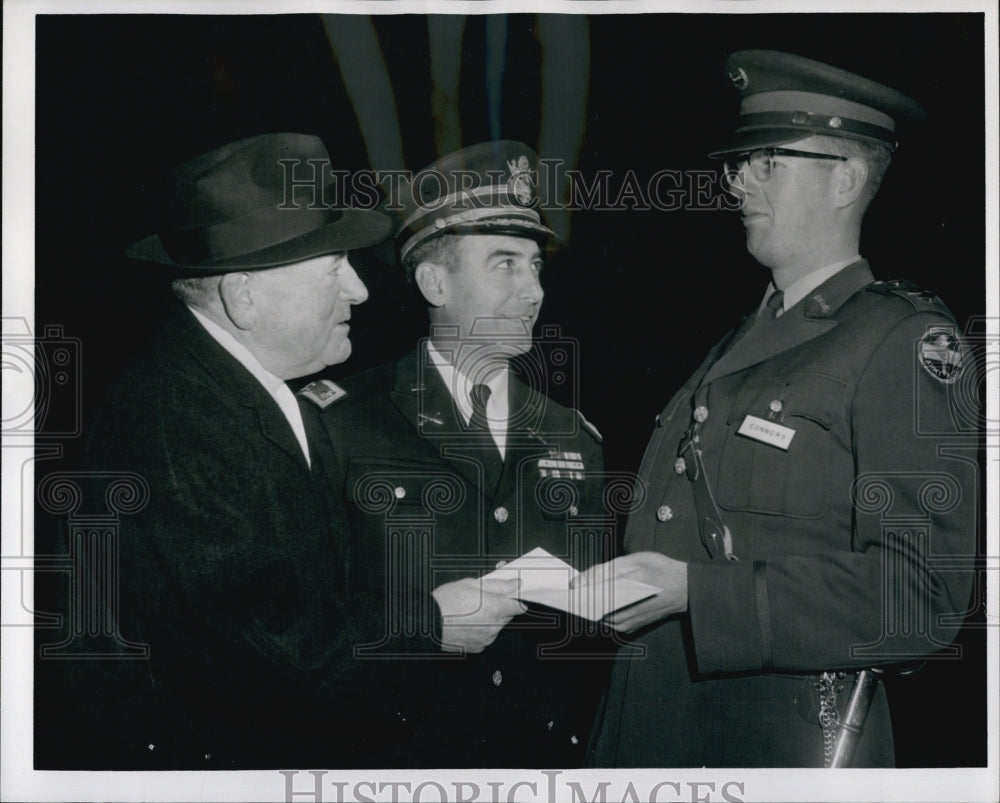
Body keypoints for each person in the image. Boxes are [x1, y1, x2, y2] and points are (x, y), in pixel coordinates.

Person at [576, 51, 977, 767]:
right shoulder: (741, 339)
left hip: (776, 746)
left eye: (767, 161)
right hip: (652, 731)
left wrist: (700, 594)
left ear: (845, 179)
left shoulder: (902, 340)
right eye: (739, 162)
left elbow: (920, 595)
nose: (737, 181)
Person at [46, 133, 395, 768]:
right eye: (333, 268)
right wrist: (427, 622)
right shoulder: (169, 420)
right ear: (242, 296)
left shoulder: (243, 389)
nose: (359, 290)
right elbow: (269, 654)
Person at [320, 141, 612, 767]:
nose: (533, 291)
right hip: (394, 762)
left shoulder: (574, 438)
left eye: (535, 266)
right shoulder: (342, 422)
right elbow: (305, 624)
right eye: (504, 264)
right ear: (434, 281)